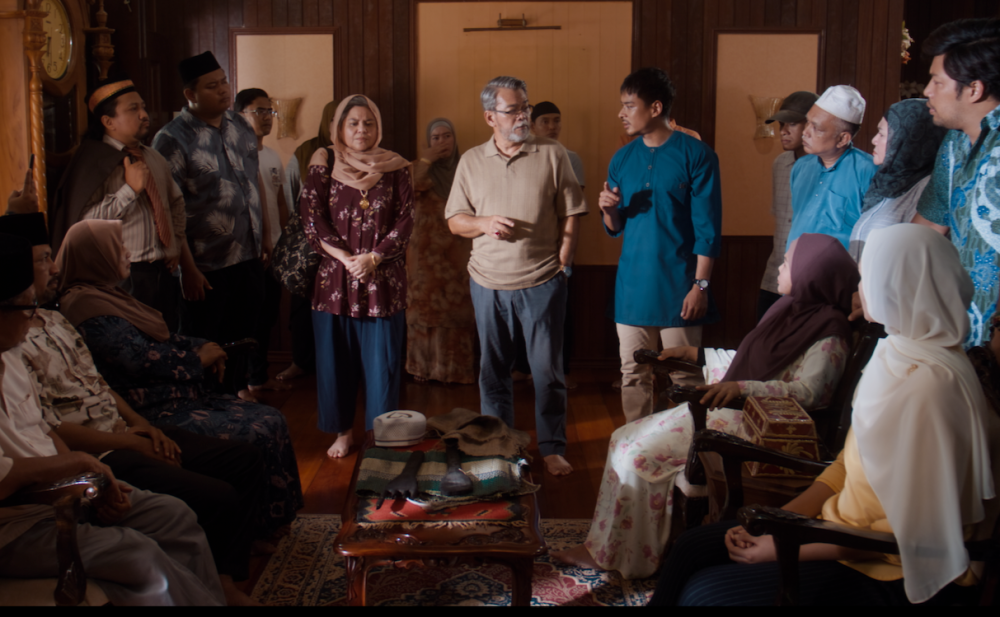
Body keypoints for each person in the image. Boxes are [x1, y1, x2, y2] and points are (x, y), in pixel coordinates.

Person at [649, 224, 1000, 606]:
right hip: (836, 532)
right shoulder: (897, 353)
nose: (857, 290)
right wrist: (776, 520)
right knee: (691, 548)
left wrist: (781, 547)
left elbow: (908, 538)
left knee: (706, 595)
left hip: (885, 565)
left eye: (866, 278)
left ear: (898, 288)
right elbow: (845, 467)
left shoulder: (933, 387)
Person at [552, 233, 856, 579]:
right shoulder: (791, 310)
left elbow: (810, 393)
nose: (781, 267)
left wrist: (741, 387)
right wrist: (698, 355)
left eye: (789, 262)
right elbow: (751, 359)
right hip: (732, 408)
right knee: (621, 437)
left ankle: (629, 558)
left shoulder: (830, 333)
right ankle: (608, 546)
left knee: (638, 455)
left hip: (755, 424)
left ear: (811, 273)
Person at [0, 211, 264, 605]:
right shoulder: (41, 332)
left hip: (72, 486)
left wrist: (98, 475)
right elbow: (9, 480)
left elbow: (48, 426)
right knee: (141, 554)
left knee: (174, 515)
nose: (30, 315)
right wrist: (86, 472)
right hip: (22, 520)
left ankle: (217, 593)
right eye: (24, 307)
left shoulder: (12, 355)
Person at [55, 219, 303, 538]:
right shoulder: (85, 305)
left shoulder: (110, 295)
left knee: (271, 420)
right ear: (95, 257)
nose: (127, 253)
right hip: (152, 407)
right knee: (257, 429)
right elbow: (139, 360)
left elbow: (164, 339)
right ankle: (252, 531)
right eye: (118, 247)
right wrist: (198, 360)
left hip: (175, 394)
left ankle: (269, 524)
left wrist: (204, 347)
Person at [445, 76, 588, 476]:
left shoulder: (552, 152)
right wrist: (484, 223)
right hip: (487, 284)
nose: (524, 116)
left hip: (543, 282)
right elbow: (456, 222)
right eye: (514, 110)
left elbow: (572, 211)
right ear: (491, 117)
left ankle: (553, 446)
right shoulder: (471, 160)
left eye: (525, 107)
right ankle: (499, 446)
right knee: (493, 372)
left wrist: (564, 260)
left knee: (547, 373)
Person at [600, 67, 722, 424]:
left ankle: (688, 458)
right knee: (633, 375)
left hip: (680, 286)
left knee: (684, 376)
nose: (621, 113)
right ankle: (637, 457)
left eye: (628, 105)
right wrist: (609, 211)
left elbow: (708, 229)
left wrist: (700, 286)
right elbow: (616, 226)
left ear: (655, 108)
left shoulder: (697, 155)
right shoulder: (622, 158)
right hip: (632, 288)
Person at [151, 51, 269, 402]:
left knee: (244, 338)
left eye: (224, 82)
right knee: (207, 343)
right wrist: (187, 269)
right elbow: (170, 211)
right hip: (205, 266)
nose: (223, 90)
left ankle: (234, 401)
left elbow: (253, 182)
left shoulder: (240, 127)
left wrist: (263, 236)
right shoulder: (172, 139)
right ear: (190, 94)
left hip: (246, 256)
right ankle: (208, 410)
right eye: (212, 86)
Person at [300, 95, 414, 459]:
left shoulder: (397, 167)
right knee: (336, 362)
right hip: (335, 280)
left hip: (382, 280)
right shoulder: (323, 163)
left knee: (383, 365)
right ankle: (344, 431)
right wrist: (347, 258)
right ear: (339, 127)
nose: (361, 130)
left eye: (368, 123)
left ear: (378, 127)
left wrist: (374, 257)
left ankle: (380, 434)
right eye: (353, 123)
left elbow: (405, 220)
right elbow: (312, 217)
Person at [51, 79, 191, 331]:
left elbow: (176, 204)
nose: (144, 115)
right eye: (133, 109)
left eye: (143, 107)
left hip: (164, 271)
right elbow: (86, 225)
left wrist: (174, 244)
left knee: (166, 342)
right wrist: (130, 190)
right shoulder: (93, 162)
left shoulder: (153, 156)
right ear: (108, 121)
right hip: (125, 277)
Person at [914, 18, 1000, 349]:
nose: (926, 91)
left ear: (974, 89)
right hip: (958, 328)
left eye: (937, 82)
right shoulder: (953, 143)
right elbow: (928, 226)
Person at [406, 118, 475, 384]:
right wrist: (426, 161)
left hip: (458, 257)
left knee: (457, 314)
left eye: (447, 136)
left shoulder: (465, 169)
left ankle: (454, 372)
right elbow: (404, 190)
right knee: (424, 313)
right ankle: (423, 370)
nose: (442, 142)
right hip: (424, 260)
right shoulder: (418, 169)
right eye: (435, 138)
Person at [278, 101, 339, 382]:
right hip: (308, 245)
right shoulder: (306, 152)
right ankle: (301, 361)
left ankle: (337, 365)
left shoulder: (360, 156)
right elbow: (292, 197)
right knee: (303, 306)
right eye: (337, 120)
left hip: (344, 248)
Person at [235, 88, 290, 395]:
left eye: (270, 111)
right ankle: (240, 383)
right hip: (245, 250)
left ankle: (258, 377)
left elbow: (280, 201)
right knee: (246, 318)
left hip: (274, 247)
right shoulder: (234, 153)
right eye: (259, 111)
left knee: (267, 316)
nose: (267, 117)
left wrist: (282, 239)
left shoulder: (271, 155)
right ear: (240, 114)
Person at [848, 99, 947, 261]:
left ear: (907, 139)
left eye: (881, 134)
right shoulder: (884, 185)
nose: (874, 140)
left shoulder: (927, 190)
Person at [786, 86, 878, 251]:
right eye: (807, 122)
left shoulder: (868, 171)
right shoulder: (801, 166)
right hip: (795, 269)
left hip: (840, 273)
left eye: (816, 128)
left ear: (843, 139)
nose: (805, 132)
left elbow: (875, 234)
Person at [757, 91, 818, 320]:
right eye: (782, 124)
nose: (783, 131)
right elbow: (781, 221)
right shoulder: (780, 164)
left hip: (808, 280)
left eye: (792, 124)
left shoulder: (827, 166)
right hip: (774, 274)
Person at [531, 101, 585, 187]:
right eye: (545, 122)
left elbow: (575, 197)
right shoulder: (525, 157)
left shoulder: (571, 158)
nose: (552, 127)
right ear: (533, 126)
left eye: (557, 121)